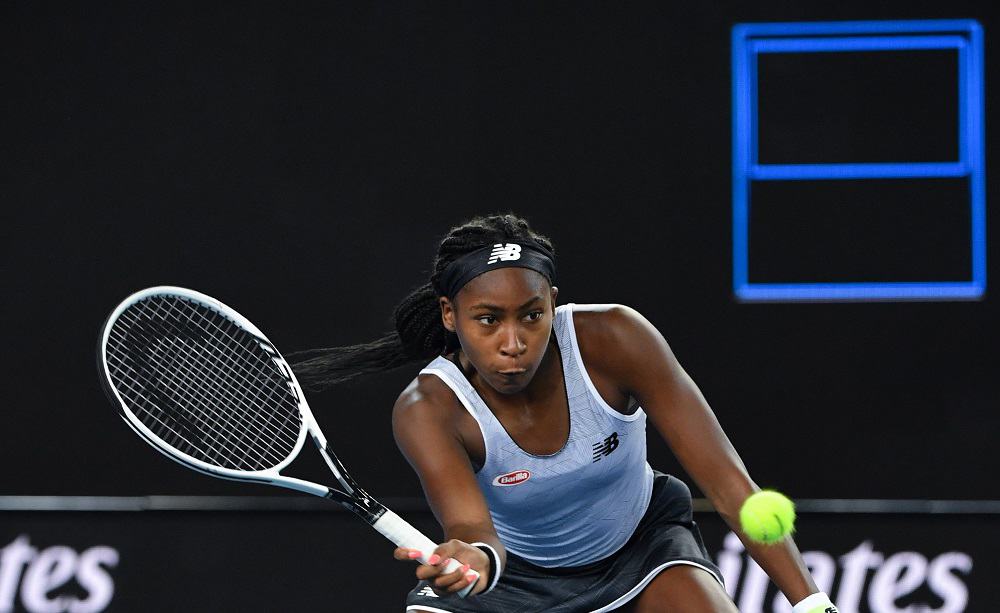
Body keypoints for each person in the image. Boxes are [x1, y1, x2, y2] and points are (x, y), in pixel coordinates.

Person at [292, 214, 837, 612]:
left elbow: (728, 485)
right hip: (516, 578)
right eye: (488, 321)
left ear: (552, 303)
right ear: (449, 316)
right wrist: (475, 559)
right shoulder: (429, 409)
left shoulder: (615, 339)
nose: (514, 343)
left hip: (643, 551)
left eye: (532, 316)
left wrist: (814, 606)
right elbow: (473, 529)